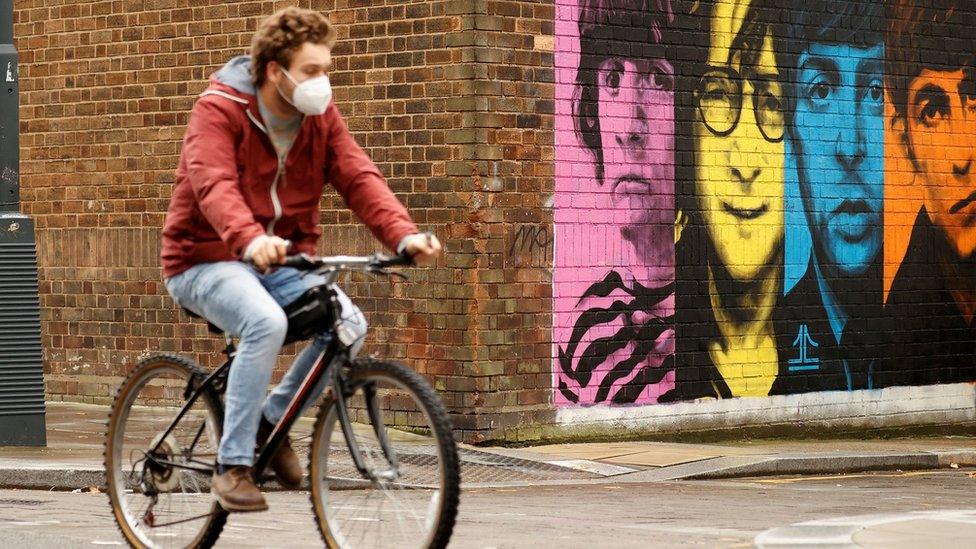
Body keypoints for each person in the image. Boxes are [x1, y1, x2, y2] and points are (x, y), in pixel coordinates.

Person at [160, 7, 441, 512]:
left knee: (349, 323)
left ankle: (272, 419)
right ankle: (234, 466)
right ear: (276, 71)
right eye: (312, 71)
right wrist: (247, 239)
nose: (323, 82)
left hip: (284, 259)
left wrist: (404, 235)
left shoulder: (319, 118)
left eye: (325, 69)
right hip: (204, 258)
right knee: (264, 322)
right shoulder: (219, 109)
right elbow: (213, 183)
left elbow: (358, 176)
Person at [555, 0, 683, 406]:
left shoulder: (718, 327)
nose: (629, 127)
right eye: (612, 78)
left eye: (658, 81)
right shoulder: (587, 333)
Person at [675, 0, 787, 399]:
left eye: (772, 102)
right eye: (719, 95)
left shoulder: (831, 352)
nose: (744, 161)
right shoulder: (654, 354)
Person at [774, 0, 885, 394]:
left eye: (876, 92)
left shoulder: (936, 329)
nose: (851, 145)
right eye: (820, 90)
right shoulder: (773, 349)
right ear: (790, 134)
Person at [878, 0, 976, 387]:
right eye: (933, 112)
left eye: (974, 98)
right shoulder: (900, 335)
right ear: (905, 145)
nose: (963, 154)